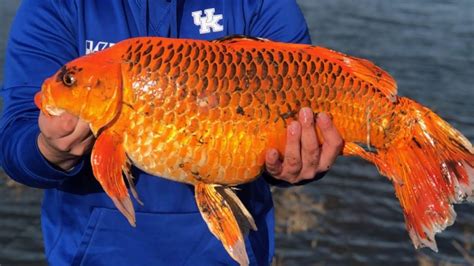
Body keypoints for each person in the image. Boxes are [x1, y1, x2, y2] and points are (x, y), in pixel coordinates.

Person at [0, 0, 343, 265]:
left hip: (231, 254)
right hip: (93, 255)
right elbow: (16, 138)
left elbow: (301, 124)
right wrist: (48, 150)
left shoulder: (260, 4)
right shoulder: (58, 5)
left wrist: (294, 167)